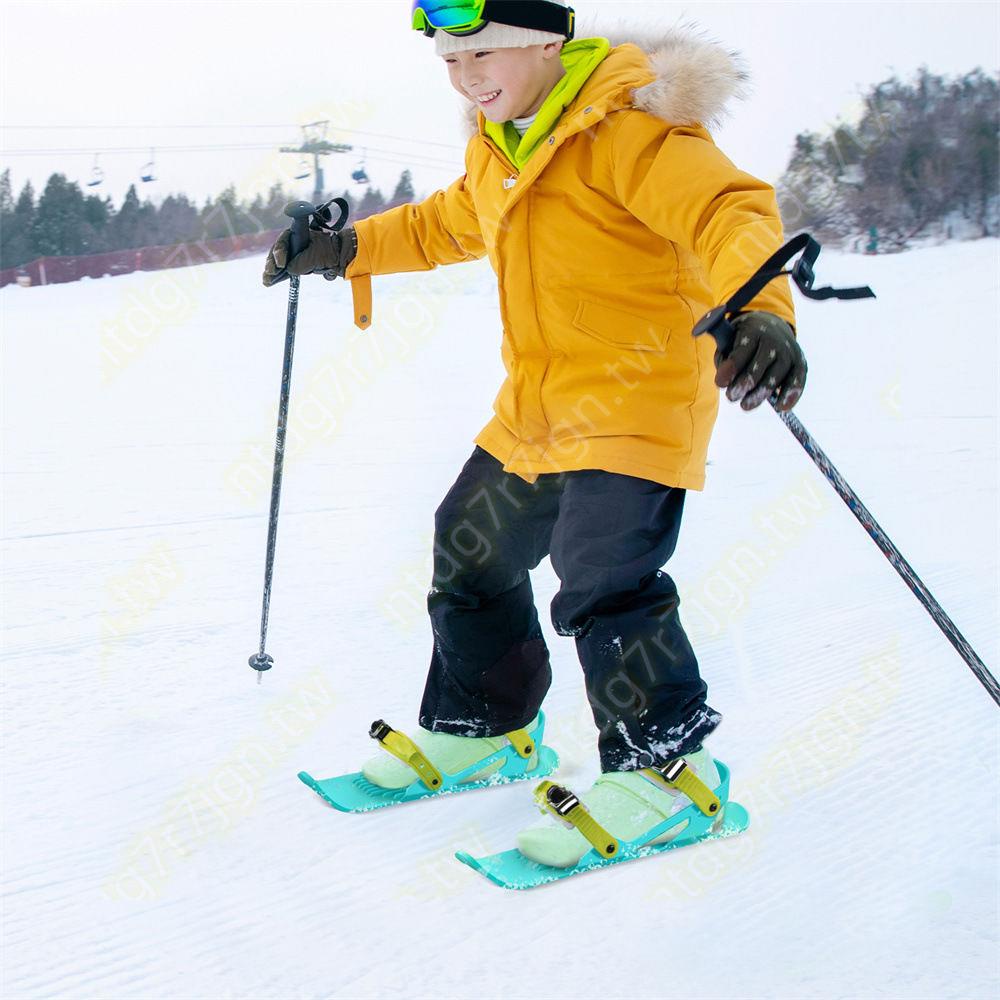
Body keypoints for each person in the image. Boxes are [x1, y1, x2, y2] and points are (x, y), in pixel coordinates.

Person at [263, 0, 806, 868]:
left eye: (484, 54)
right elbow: (445, 224)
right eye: (449, 63)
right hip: (539, 411)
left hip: (634, 404)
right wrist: (346, 251)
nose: (468, 78)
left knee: (604, 574)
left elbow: (727, 214)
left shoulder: (633, 129)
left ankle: (669, 773)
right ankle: (489, 725)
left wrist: (763, 311)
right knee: (469, 546)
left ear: (547, 41)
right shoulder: (502, 146)